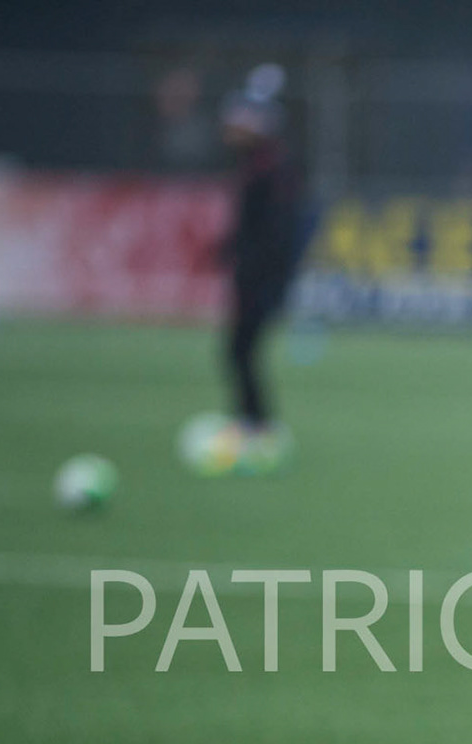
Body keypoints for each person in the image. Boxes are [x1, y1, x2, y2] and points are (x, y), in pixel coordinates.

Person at [193, 65, 303, 476]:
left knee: (240, 350)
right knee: (240, 351)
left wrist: (253, 267)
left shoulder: (271, 168)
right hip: (256, 275)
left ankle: (257, 427)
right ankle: (254, 424)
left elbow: (275, 230)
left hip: (261, 279)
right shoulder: (258, 165)